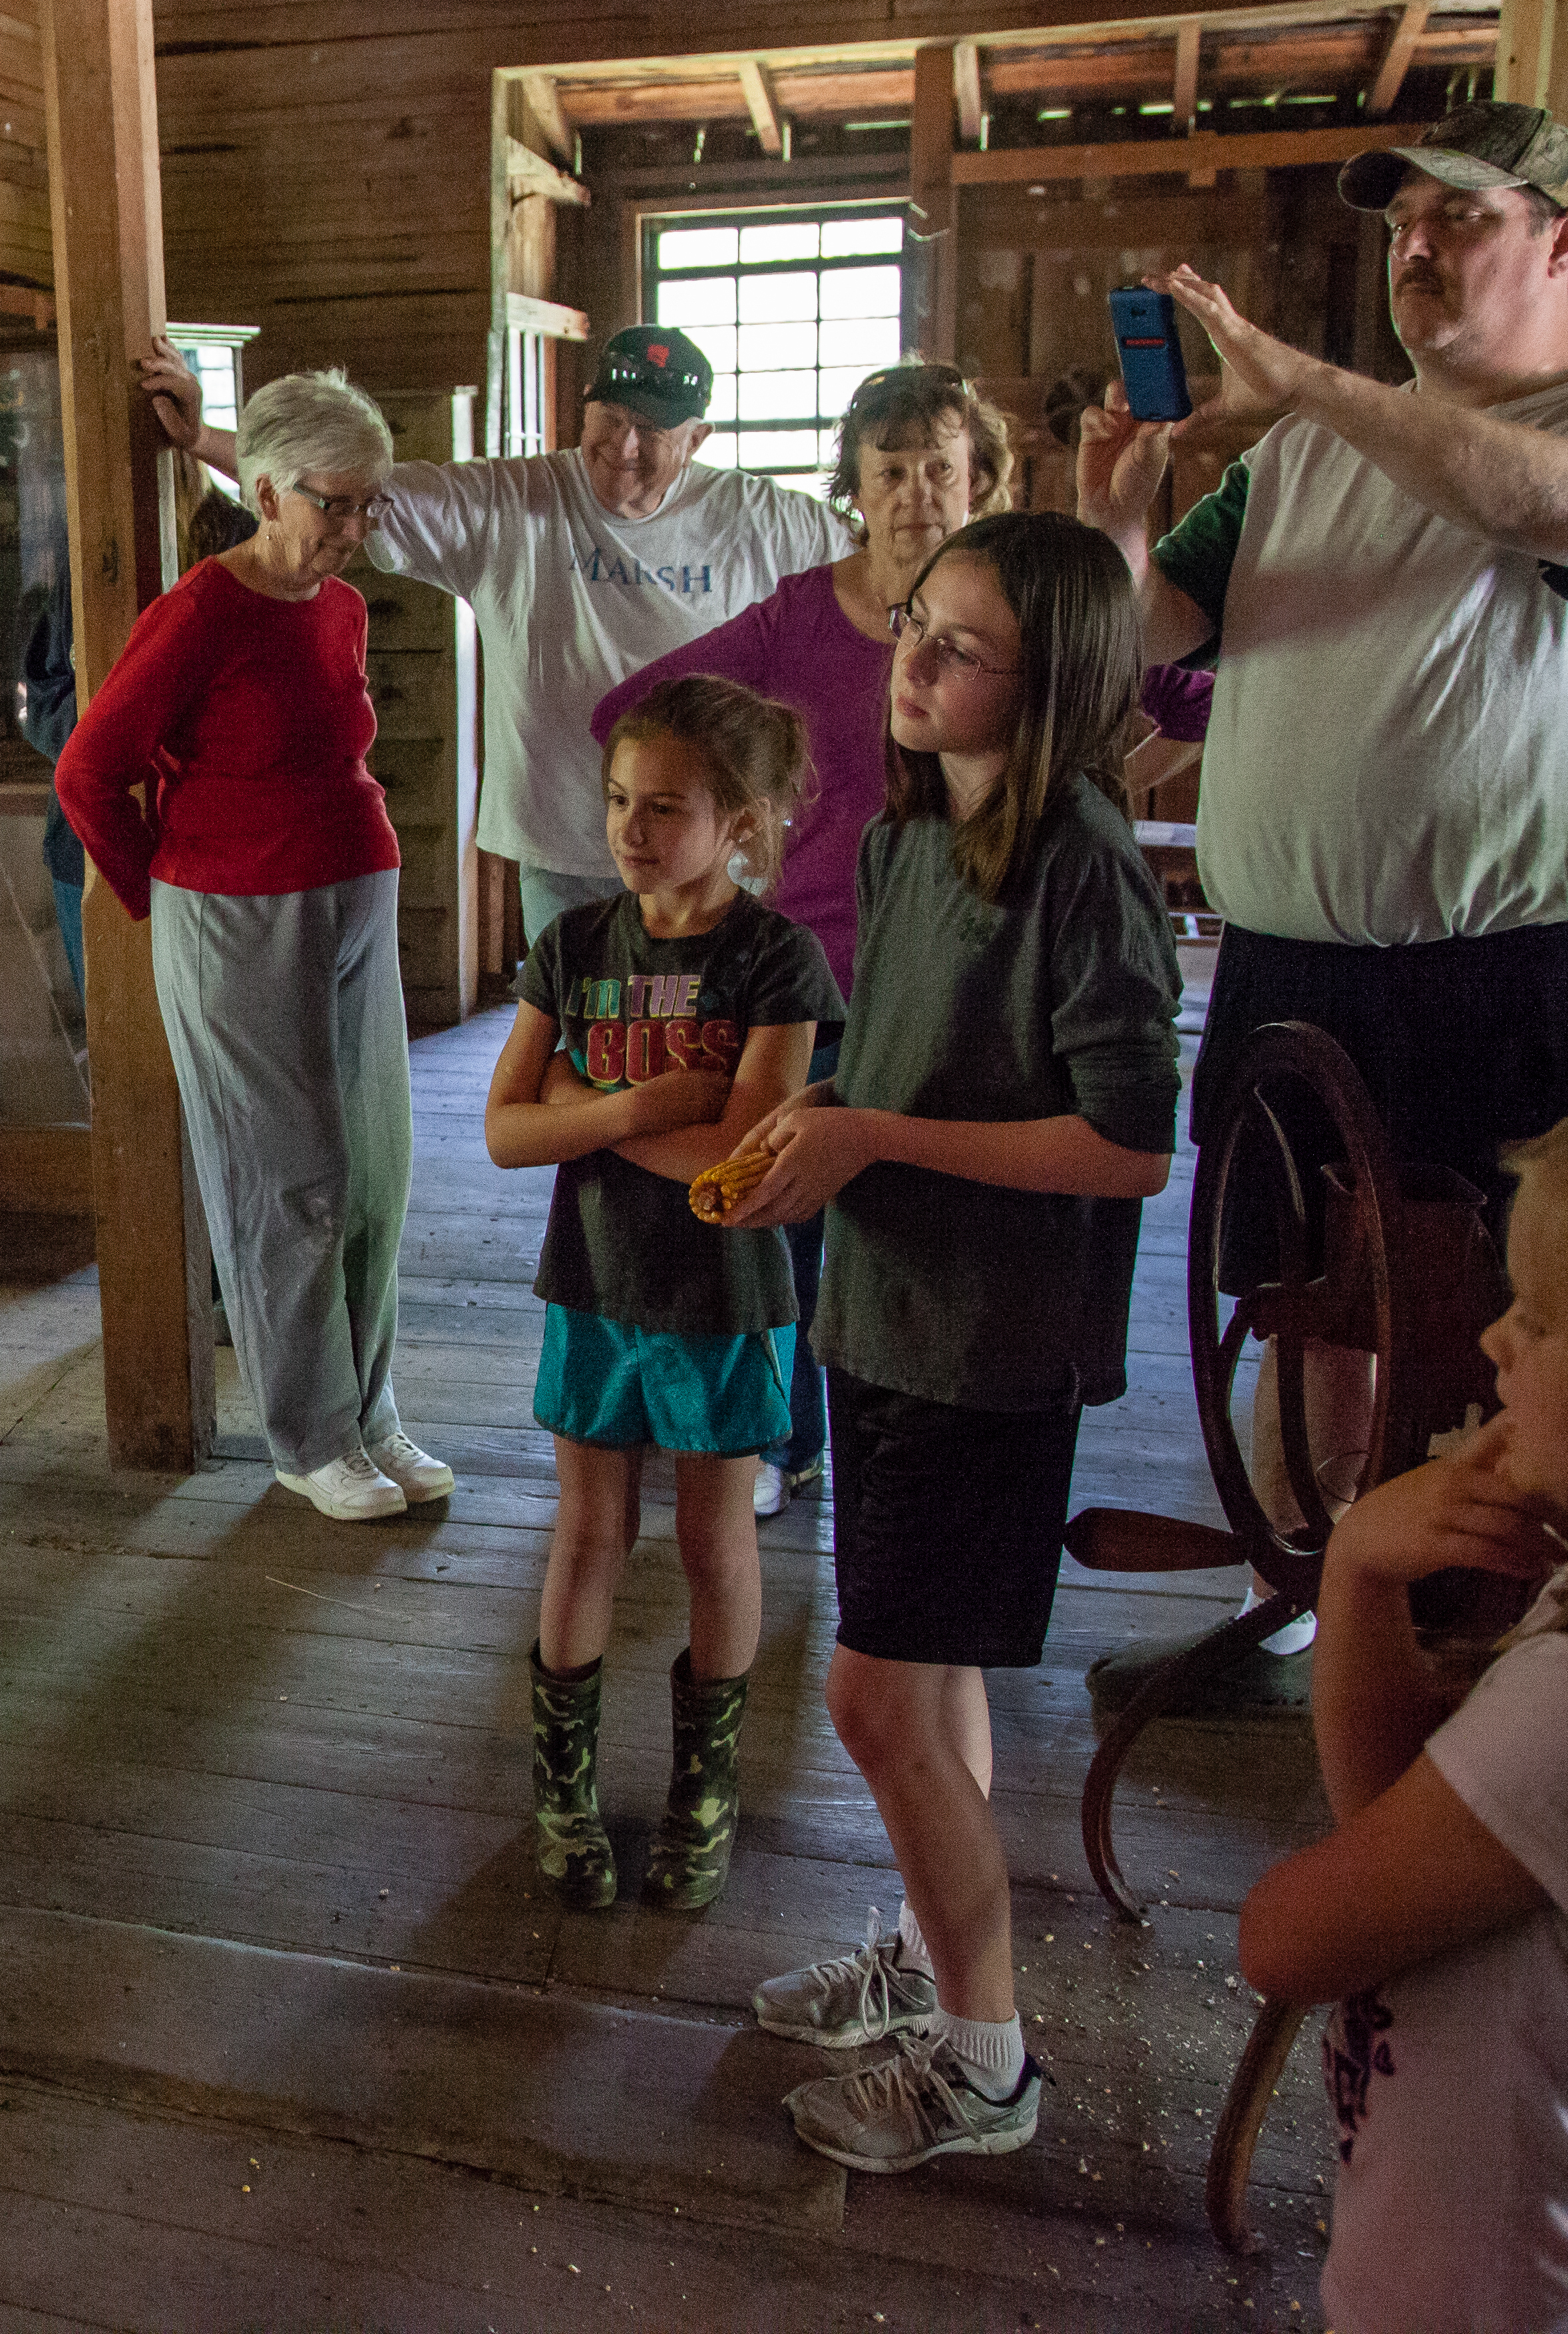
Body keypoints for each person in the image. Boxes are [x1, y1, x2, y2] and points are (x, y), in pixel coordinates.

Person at [1078, 100, 1568, 1656]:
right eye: (1402, 225)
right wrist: (1113, 512)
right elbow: (1154, 628)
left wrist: (1309, 381)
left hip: (1506, 966)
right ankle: (1305, 1605)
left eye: (1460, 216)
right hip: (1286, 961)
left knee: (1513, 1323)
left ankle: (1490, 1642)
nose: (1417, 248)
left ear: (1565, 240)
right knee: (1300, 1305)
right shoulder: (1303, 458)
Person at [716, 514, 1184, 2172]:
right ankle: (925, 1962)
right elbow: (914, 1067)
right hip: (885, 1309)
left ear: (1049, 681)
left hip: (988, 1343)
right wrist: (828, 1115)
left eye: (958, 644)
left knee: (869, 1704)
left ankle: (985, 2066)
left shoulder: (1082, 864)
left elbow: (1130, 1141)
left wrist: (877, 1140)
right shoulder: (913, 836)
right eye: (913, 619)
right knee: (928, 1675)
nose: (908, 657)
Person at [1240, 1076, 1568, 2333]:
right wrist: (1362, 1570)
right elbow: (1407, 1823)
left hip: (1535, 2281)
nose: (1494, 1341)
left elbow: (1289, 1939)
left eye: (1537, 1318)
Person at [589, 363, 1016, 1515]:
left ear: (980, 480)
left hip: (965, 961)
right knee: (786, 1218)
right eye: (891, 471)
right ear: (855, 490)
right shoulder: (797, 615)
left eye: (939, 469)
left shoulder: (1010, 610)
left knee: (926, 1225)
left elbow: (1170, 697)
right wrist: (733, 826)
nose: (917, 493)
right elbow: (632, 714)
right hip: (816, 964)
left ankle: (911, 1448)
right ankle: (785, 1441)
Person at [55, 369, 447, 1525]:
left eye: (368, 504)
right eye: (337, 502)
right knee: (290, 1184)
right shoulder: (199, 613)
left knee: (375, 1172)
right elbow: (88, 773)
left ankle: (370, 1411)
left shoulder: (341, 607)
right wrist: (162, 900)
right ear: (268, 492)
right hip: (234, 909)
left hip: (354, 891)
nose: (355, 527)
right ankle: (310, 1438)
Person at [141, 323, 849, 945]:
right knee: (577, 1038)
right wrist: (200, 439)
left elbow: (872, 560)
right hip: (564, 843)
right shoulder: (515, 499)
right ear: (586, 406)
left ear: (697, 438)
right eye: (610, 419)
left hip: (709, 851)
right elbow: (336, 488)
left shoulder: (760, 518)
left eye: (652, 431)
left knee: (709, 1035)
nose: (624, 446)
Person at [482, 678, 839, 1912]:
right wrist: (644, 1106)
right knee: (586, 1534)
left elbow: (741, 1164)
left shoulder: (775, 960)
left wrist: (582, 1109)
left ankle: (704, 1792)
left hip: (728, 1299)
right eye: (620, 800)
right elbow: (503, 1132)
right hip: (593, 1284)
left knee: (712, 1542)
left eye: (665, 806)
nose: (630, 829)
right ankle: (564, 1792)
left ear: (739, 820)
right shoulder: (575, 945)